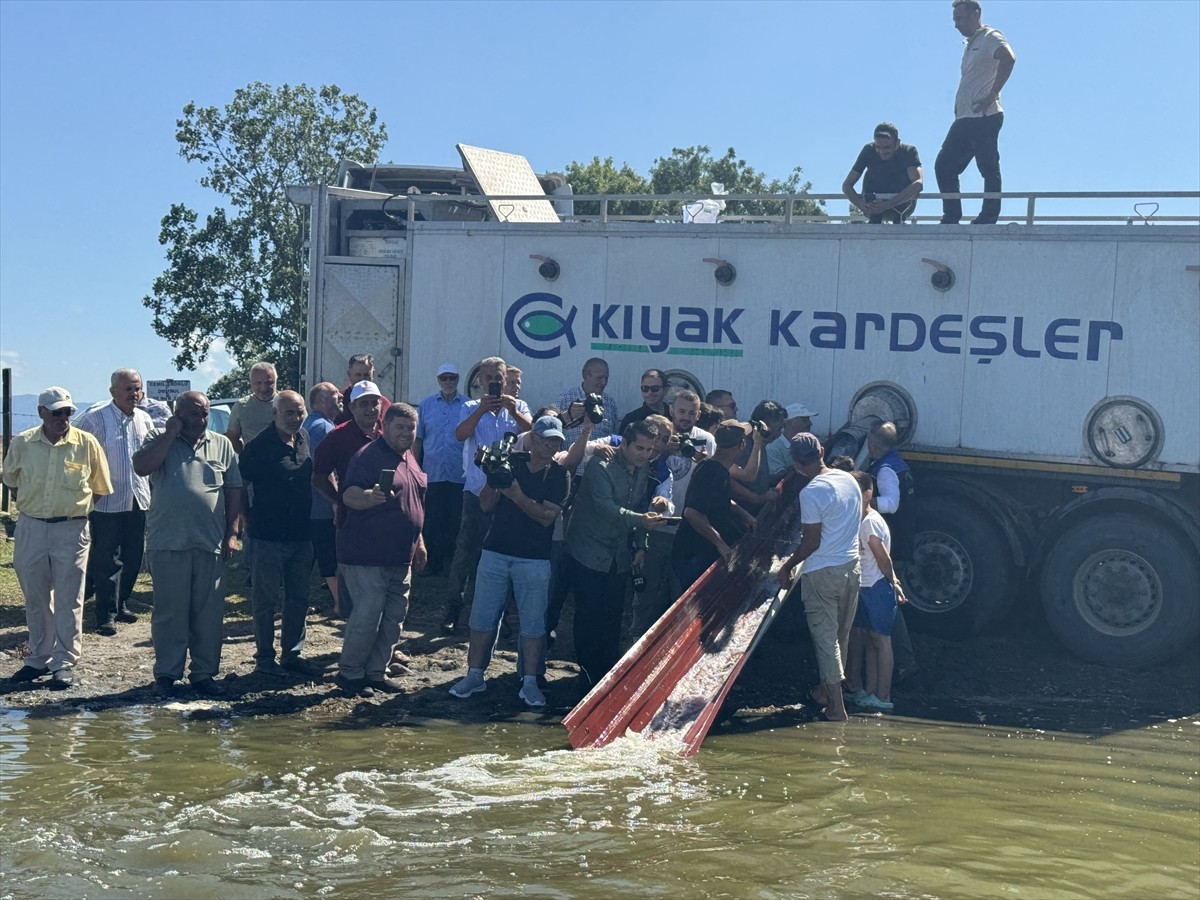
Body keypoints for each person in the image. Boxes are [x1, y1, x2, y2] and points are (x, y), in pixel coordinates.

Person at [448, 416, 571, 707]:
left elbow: (546, 518)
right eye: (545, 439)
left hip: (535, 559)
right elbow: (485, 504)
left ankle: (529, 681)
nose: (550, 445)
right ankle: (474, 674)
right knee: (482, 617)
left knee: (533, 623)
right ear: (532, 438)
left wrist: (516, 494)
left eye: (555, 441)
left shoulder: (559, 475)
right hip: (495, 551)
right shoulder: (511, 461)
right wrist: (494, 477)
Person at [133, 392, 243, 698]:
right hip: (168, 541)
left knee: (208, 613)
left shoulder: (222, 445)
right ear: (177, 414)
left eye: (205, 414)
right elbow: (142, 467)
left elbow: (234, 490)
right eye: (194, 414)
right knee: (170, 612)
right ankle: (167, 673)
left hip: (210, 542)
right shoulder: (158, 438)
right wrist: (170, 434)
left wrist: (232, 533)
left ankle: (204, 673)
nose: (201, 420)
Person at [4, 387, 112, 689]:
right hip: (31, 527)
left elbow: (100, 488)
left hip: (72, 529)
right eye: (57, 412)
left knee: (69, 597)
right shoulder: (22, 443)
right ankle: (38, 657)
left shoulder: (86, 443)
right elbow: (11, 480)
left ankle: (64, 661)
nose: (64, 417)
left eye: (68, 412)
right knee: (35, 597)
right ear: (41, 413)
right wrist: (34, 507)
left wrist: (74, 514)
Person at [563, 419, 667, 688]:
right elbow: (605, 508)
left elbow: (642, 507)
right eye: (639, 448)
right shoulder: (601, 465)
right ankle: (586, 671)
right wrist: (642, 521)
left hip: (618, 552)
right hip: (589, 548)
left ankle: (606, 673)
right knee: (588, 613)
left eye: (649, 450)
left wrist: (641, 545)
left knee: (612, 613)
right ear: (625, 443)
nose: (644, 454)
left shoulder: (643, 470)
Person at [334, 403, 427, 698]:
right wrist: (369, 496)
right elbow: (348, 494)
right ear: (384, 427)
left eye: (410, 428)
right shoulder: (368, 457)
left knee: (393, 618)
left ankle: (376, 672)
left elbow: (415, 504)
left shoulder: (410, 458)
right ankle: (350, 674)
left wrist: (420, 542)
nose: (406, 433)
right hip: (367, 556)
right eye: (399, 427)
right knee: (368, 617)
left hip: (402, 556)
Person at [775, 433, 862, 722]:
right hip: (852, 567)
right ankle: (826, 693)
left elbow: (811, 542)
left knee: (825, 639)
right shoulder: (849, 480)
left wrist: (787, 566)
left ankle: (837, 707)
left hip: (822, 572)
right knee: (841, 635)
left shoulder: (811, 493)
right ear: (822, 451)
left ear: (796, 464)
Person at [441, 357, 531, 632]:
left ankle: (499, 614)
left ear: (506, 380)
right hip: (476, 490)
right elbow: (460, 434)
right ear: (479, 382)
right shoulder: (469, 406)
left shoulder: (519, 407)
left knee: (503, 553)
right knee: (466, 551)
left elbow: (533, 434)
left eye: (498, 377)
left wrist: (513, 412)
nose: (493, 382)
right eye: (488, 377)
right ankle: (452, 608)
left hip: (509, 492)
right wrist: (481, 411)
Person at [238, 391, 322, 678]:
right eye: (289, 413)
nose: (295, 418)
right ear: (275, 414)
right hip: (267, 537)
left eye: (299, 412)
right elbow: (240, 485)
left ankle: (292, 655)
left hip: (301, 536)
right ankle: (264, 659)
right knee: (265, 601)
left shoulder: (303, 439)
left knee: (299, 598)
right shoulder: (258, 446)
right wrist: (243, 522)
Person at [74, 368, 154, 636]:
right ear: (113, 392)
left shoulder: (144, 419)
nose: (134, 393)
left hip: (138, 498)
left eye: (137, 388)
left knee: (133, 556)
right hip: (106, 501)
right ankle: (104, 614)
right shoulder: (95, 419)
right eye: (128, 389)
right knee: (107, 558)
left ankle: (121, 604)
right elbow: (76, 448)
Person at [935, 0, 1017, 225]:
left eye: (960, 18)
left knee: (988, 165)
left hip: (985, 115)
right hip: (965, 118)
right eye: (955, 20)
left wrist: (992, 94)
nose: (956, 25)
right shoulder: (971, 44)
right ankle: (952, 215)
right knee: (944, 165)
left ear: (975, 14)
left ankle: (989, 215)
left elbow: (1008, 58)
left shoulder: (990, 36)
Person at [312, 380, 386, 617]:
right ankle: (355, 647)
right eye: (363, 403)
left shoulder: (391, 433)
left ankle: (383, 649)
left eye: (374, 403)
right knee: (356, 590)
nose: (370, 409)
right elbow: (319, 476)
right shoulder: (337, 437)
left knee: (387, 586)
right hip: (353, 523)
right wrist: (337, 501)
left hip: (388, 521)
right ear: (351, 407)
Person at [643, 390, 716, 615]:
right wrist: (663, 450)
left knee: (682, 592)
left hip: (688, 529)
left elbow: (714, 481)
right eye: (681, 411)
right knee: (647, 590)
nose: (685, 417)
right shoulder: (657, 435)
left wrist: (704, 464)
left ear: (699, 414)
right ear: (671, 410)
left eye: (691, 413)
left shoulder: (706, 439)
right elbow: (640, 468)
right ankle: (639, 637)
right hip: (655, 525)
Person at [844, 471, 907, 712]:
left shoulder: (869, 521)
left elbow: (882, 557)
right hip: (865, 585)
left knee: (881, 640)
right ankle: (869, 692)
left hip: (877, 586)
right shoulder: (861, 519)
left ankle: (883, 696)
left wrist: (894, 582)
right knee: (869, 639)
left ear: (868, 494)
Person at [671, 420, 759, 591]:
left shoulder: (717, 467)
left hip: (700, 552)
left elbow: (720, 499)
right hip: (694, 554)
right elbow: (692, 512)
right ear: (741, 445)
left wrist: (746, 515)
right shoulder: (712, 471)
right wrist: (720, 543)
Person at [865, 420, 919, 679]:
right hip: (900, 540)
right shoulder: (899, 465)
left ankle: (903, 662)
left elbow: (891, 504)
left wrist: (862, 500)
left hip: (890, 546)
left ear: (874, 444)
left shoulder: (886, 469)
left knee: (890, 604)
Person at [414, 362, 467, 577]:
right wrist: (415, 468)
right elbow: (418, 440)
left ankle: (453, 565)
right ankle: (433, 563)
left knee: (456, 521)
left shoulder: (468, 405)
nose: (448, 382)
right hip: (433, 473)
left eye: (452, 378)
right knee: (432, 520)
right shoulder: (425, 405)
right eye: (444, 378)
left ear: (457, 379)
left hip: (459, 474)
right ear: (438, 380)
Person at [303, 382, 344, 612]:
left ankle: (297, 600)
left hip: (311, 505)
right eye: (333, 393)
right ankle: (341, 603)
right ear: (319, 401)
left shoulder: (311, 425)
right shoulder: (323, 428)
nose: (340, 396)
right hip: (321, 506)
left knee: (311, 556)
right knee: (329, 554)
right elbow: (323, 470)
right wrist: (336, 501)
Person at [843, 122, 924, 224]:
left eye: (887, 147)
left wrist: (887, 204)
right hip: (873, 204)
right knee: (870, 173)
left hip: (901, 206)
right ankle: (874, 215)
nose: (882, 152)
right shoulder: (868, 150)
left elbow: (918, 184)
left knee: (909, 181)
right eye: (878, 147)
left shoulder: (908, 152)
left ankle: (896, 218)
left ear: (897, 143)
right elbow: (847, 185)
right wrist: (860, 204)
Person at [555, 357, 619, 448]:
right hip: (569, 459)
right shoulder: (565, 399)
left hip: (600, 460)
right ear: (585, 375)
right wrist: (568, 416)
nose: (603, 382)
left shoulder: (610, 403)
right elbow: (551, 432)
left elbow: (614, 437)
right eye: (599, 378)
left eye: (606, 378)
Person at [225, 361, 278, 454]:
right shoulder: (241, 407)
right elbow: (232, 438)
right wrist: (245, 457)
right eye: (258, 383)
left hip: (284, 463)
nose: (263, 388)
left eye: (268, 383)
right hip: (254, 464)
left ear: (276, 381)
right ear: (251, 383)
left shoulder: (288, 402)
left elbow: (303, 433)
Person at [766, 402, 819, 480]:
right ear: (789, 422)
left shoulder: (810, 444)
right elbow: (779, 479)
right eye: (804, 420)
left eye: (808, 419)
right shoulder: (773, 449)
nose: (810, 423)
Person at [335, 353, 392, 425]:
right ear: (349, 374)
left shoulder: (384, 403)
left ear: (373, 374)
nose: (362, 379)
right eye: (358, 375)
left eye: (366, 375)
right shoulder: (338, 400)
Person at [617, 368, 668, 435]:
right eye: (645, 388)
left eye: (655, 388)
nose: (649, 393)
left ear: (665, 390)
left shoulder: (675, 416)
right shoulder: (631, 419)